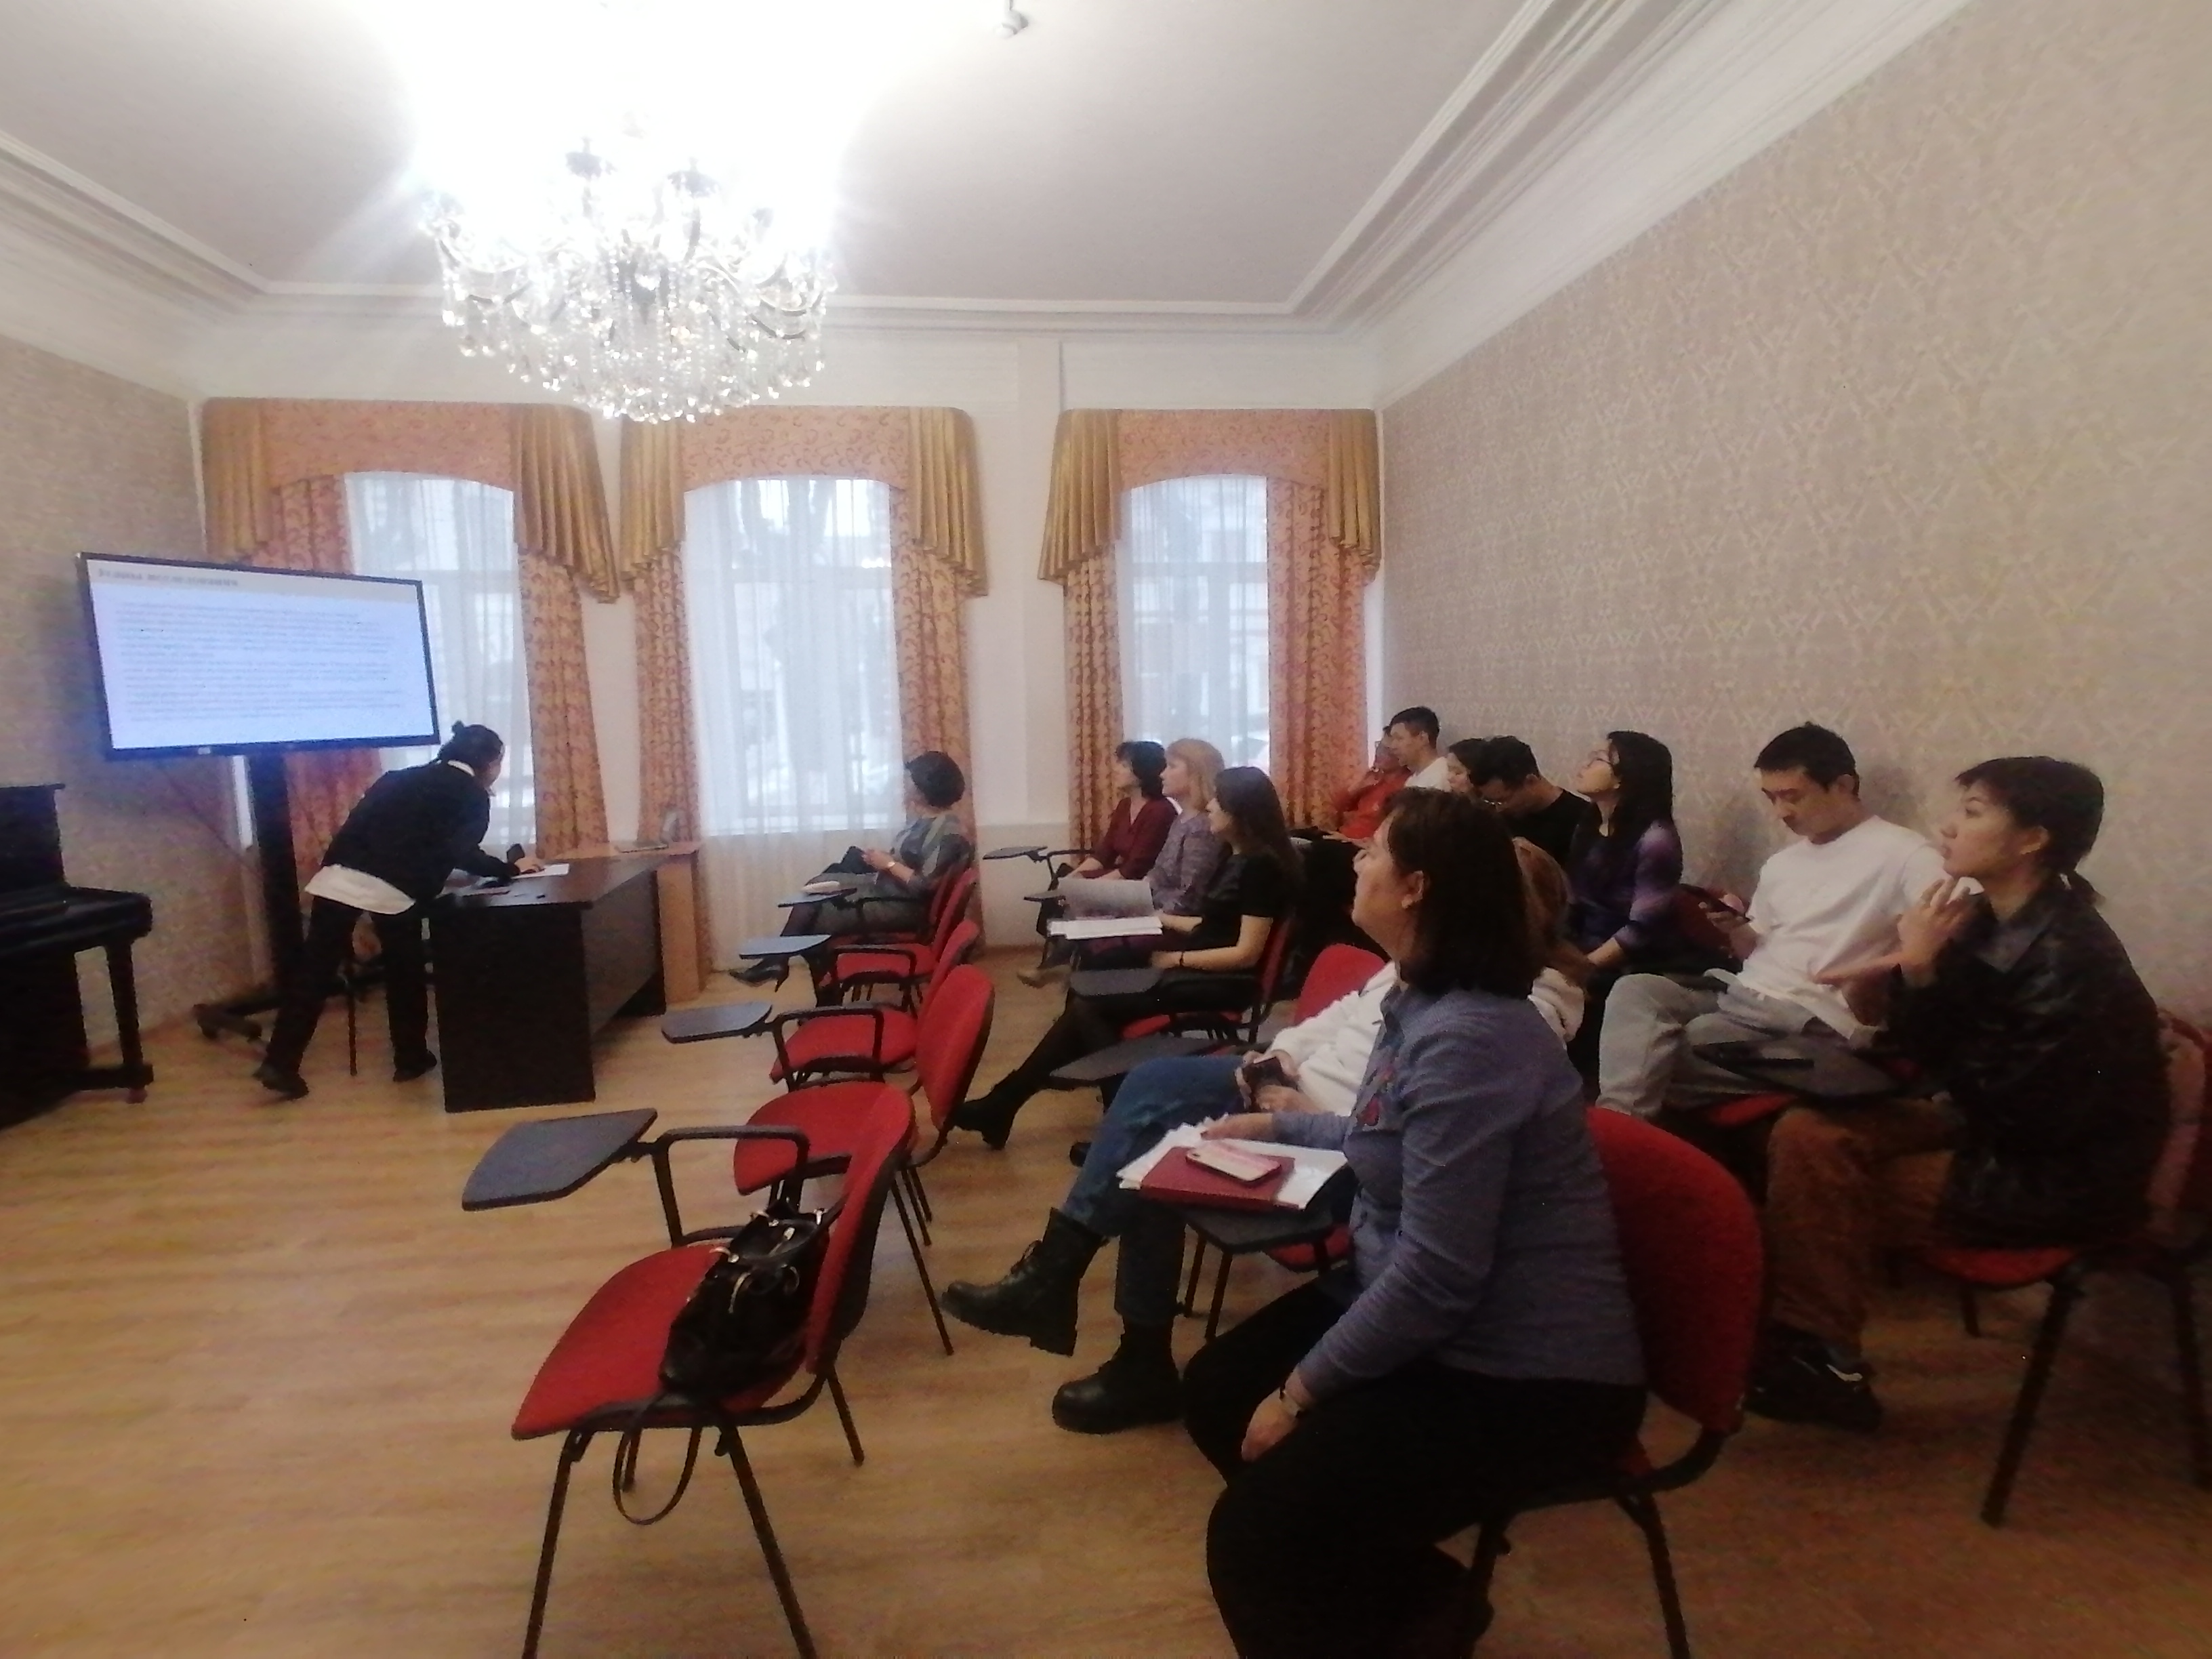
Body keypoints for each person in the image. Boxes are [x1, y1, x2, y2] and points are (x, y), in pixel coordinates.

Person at [1177, 791, 1644, 1659]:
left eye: (1374, 851)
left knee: (1255, 1533)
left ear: (1417, 886)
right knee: (1215, 1391)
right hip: (1433, 1315)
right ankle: (1419, 1601)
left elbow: (1440, 1275)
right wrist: (1278, 1125)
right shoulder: (1421, 1001)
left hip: (1524, 1373)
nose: (1355, 861)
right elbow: (1385, 1141)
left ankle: (1383, 1596)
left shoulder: (1472, 1038)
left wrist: (1299, 1394)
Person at [939, 831, 1591, 1437]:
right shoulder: (1423, 966)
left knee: (1152, 1150)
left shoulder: (1524, 1009)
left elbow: (1401, 1130)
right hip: (1291, 1096)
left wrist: (1297, 1109)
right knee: (1153, 1093)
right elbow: (1332, 1022)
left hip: (1344, 1152)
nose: (1360, 861)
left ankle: (1104, 1326)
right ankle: (1073, 1292)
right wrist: (1274, 1062)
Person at [1749, 758, 2168, 1431]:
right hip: (1994, 1124)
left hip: (2057, 1174)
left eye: (1973, 813)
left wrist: (1918, 974)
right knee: (1806, 1132)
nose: (1947, 827)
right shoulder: (1982, 917)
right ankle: (1816, 1354)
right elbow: (1931, 1053)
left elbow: (2021, 1108)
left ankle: (1821, 1361)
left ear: (2032, 839)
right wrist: (1912, 973)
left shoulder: (2070, 955)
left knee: (1820, 1186)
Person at [1597, 724, 1946, 1119]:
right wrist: (1736, 928)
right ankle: (1619, 1127)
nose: (1781, 812)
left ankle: (1614, 1131)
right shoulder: (1783, 863)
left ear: (1843, 786)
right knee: (1637, 990)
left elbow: (1959, 927)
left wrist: (1890, 965)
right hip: (1740, 994)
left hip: (1810, 1017)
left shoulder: (1904, 854)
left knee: (1672, 1047)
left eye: (1792, 796)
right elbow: (1753, 951)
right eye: (1771, 798)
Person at [951, 766, 1299, 1149]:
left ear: (1240, 812)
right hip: (1200, 967)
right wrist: (1161, 918)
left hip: (1220, 982)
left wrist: (1174, 960)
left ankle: (1110, 1121)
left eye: (1218, 800)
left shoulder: (1260, 867)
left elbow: (1245, 954)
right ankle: (1018, 1104)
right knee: (1089, 1005)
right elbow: (1216, 925)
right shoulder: (1239, 857)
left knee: (1091, 1009)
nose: (1210, 806)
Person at [253, 723, 539, 1099]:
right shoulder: (471, 794)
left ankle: (280, 1062)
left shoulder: (397, 778)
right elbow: (462, 853)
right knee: (405, 972)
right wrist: (510, 869)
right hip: (395, 890)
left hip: (337, 878)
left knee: (313, 974)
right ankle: (410, 1057)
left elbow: (355, 828)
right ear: (491, 762)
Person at [743, 750, 973, 983]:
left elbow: (925, 886)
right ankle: (784, 965)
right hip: (889, 892)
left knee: (812, 922)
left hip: (904, 906)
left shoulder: (948, 832)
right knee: (817, 886)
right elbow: (913, 862)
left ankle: (804, 977)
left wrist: (889, 863)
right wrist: (883, 860)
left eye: (911, 780)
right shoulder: (927, 820)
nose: (906, 784)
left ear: (925, 786)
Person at [1022, 741, 1179, 986]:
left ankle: (1059, 964)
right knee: (1067, 879)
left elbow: (1136, 868)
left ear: (1142, 772)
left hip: (1142, 885)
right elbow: (1104, 853)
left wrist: (1088, 891)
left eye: (1123, 765)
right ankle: (1062, 962)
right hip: (1123, 877)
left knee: (1081, 897)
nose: (1115, 769)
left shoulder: (1160, 811)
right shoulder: (1125, 806)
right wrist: (1072, 880)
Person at [1563, 731, 1685, 975]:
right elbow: (1574, 902)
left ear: (1623, 778)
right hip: (1583, 944)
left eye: (1598, 759)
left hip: (1627, 962)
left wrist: (1581, 969)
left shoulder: (1656, 839)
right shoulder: (1589, 822)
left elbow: (1642, 930)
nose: (1584, 765)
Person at [1452, 735, 1598, 872]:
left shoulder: (1581, 821)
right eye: (1491, 800)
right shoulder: (1499, 817)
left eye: (1503, 800)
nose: (1498, 809)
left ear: (1530, 781)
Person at [1148, 737, 1227, 918]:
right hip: (1161, 911)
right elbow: (1159, 874)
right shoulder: (1182, 819)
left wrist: (1147, 908)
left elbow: (1189, 899)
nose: (1162, 775)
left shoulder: (1204, 827)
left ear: (1196, 773)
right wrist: (1135, 895)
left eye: (1172, 766)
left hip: (1178, 921)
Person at [1327, 735, 1409, 842]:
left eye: (1386, 750)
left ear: (1400, 756)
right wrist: (1358, 787)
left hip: (1359, 844)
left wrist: (1350, 836)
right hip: (1343, 835)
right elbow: (1337, 807)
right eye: (1379, 746)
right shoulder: (1373, 780)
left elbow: (1383, 831)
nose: (1378, 753)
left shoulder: (1404, 786)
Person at [1386, 705, 1451, 792]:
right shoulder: (1411, 781)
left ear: (1423, 739)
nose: (1393, 746)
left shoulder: (1444, 777)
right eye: (1393, 739)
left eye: (1399, 738)